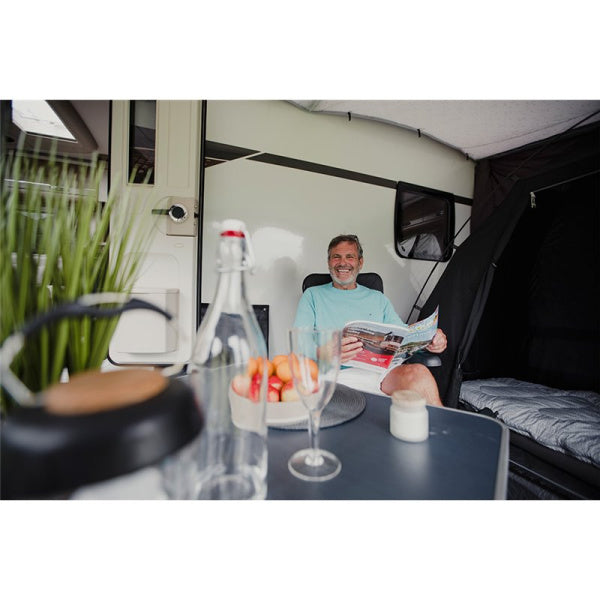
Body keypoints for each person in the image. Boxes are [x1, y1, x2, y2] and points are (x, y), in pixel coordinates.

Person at [293, 234, 447, 406]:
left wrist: (430, 339)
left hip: (381, 374)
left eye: (349, 257)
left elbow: (403, 337)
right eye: (336, 257)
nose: (343, 263)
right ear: (329, 262)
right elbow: (300, 344)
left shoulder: (377, 298)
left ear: (360, 262)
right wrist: (325, 353)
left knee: (420, 374)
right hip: (334, 375)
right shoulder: (313, 295)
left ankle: (444, 432)